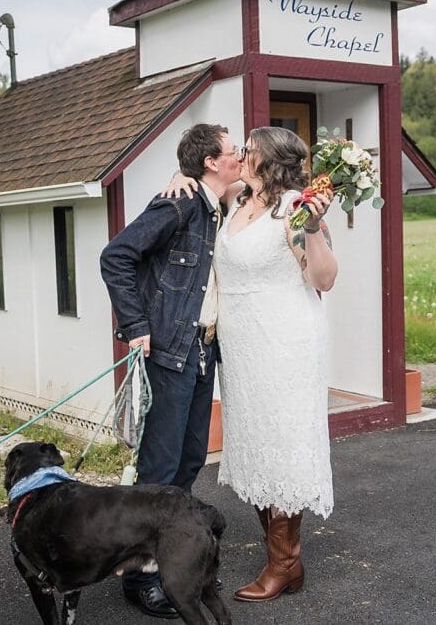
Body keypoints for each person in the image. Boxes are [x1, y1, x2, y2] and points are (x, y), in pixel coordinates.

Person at [165, 126, 337, 603]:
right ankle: (285, 560)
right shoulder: (237, 201)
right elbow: (205, 179)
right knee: (258, 443)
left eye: (248, 150)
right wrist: (179, 175)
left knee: (283, 442)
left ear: (267, 161)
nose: (239, 155)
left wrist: (312, 230)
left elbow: (323, 278)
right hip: (241, 348)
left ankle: (284, 563)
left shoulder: (295, 207)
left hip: (285, 340)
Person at [100, 123, 242, 619]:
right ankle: (141, 577)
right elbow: (116, 255)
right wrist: (136, 324)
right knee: (159, 469)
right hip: (169, 353)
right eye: (233, 151)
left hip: (203, 352)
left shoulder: (215, 202)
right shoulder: (176, 205)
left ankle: (175, 558)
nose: (241, 156)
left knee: (189, 461)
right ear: (210, 162)